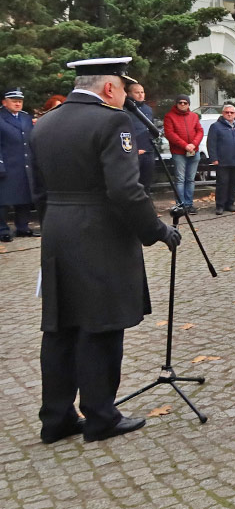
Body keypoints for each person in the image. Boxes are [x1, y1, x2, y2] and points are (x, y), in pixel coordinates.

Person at [31, 57, 181, 444]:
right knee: (101, 326)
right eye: (122, 87)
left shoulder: (45, 122)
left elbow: (38, 190)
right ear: (110, 88)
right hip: (100, 233)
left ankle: (56, 418)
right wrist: (156, 230)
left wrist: (54, 227)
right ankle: (100, 416)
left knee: (61, 327)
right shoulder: (113, 121)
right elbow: (125, 191)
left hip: (57, 231)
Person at [0, 88, 39, 242]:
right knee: (3, 200)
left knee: (24, 198)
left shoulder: (25, 117)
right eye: (14, 101)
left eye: (20, 101)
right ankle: (2, 229)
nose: (18, 104)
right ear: (4, 102)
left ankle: (23, 227)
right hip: (7, 164)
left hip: (24, 165)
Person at [207, 104, 235, 215]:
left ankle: (230, 204)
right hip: (222, 161)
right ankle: (220, 205)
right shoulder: (216, 126)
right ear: (223, 113)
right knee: (222, 184)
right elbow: (211, 144)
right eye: (227, 112)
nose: (229, 114)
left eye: (231, 113)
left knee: (233, 184)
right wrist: (214, 158)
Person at [163, 94, 203, 214]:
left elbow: (200, 131)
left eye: (185, 103)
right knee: (180, 179)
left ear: (188, 104)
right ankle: (180, 205)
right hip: (179, 153)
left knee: (190, 179)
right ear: (176, 104)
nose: (183, 104)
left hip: (193, 152)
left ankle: (189, 204)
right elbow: (170, 134)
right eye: (180, 102)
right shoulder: (169, 116)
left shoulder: (194, 116)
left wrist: (193, 144)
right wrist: (185, 145)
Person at [125, 83, 155, 195]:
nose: (140, 95)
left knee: (146, 182)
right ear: (130, 94)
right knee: (134, 183)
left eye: (142, 92)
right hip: (134, 151)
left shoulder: (148, 109)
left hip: (148, 150)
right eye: (137, 92)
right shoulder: (125, 110)